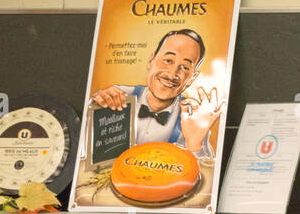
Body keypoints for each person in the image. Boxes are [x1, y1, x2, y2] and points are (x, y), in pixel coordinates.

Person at [90, 29, 224, 157]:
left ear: (192, 79)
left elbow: (206, 174)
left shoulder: (193, 118)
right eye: (168, 61)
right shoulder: (119, 95)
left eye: (184, 67)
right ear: (151, 60)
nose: (172, 74)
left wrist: (194, 144)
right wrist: (96, 106)